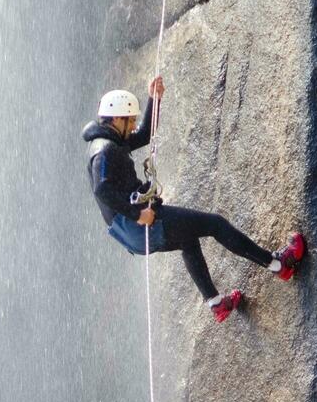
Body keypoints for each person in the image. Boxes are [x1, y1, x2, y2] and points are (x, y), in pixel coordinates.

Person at [82, 76, 305, 322]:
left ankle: (217, 303)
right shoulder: (104, 150)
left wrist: (154, 99)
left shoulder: (113, 140)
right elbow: (102, 190)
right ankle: (280, 265)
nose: (133, 124)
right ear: (117, 119)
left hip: (131, 234)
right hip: (138, 226)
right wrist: (139, 214)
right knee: (215, 224)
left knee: (188, 240)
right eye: (131, 120)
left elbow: (145, 135)